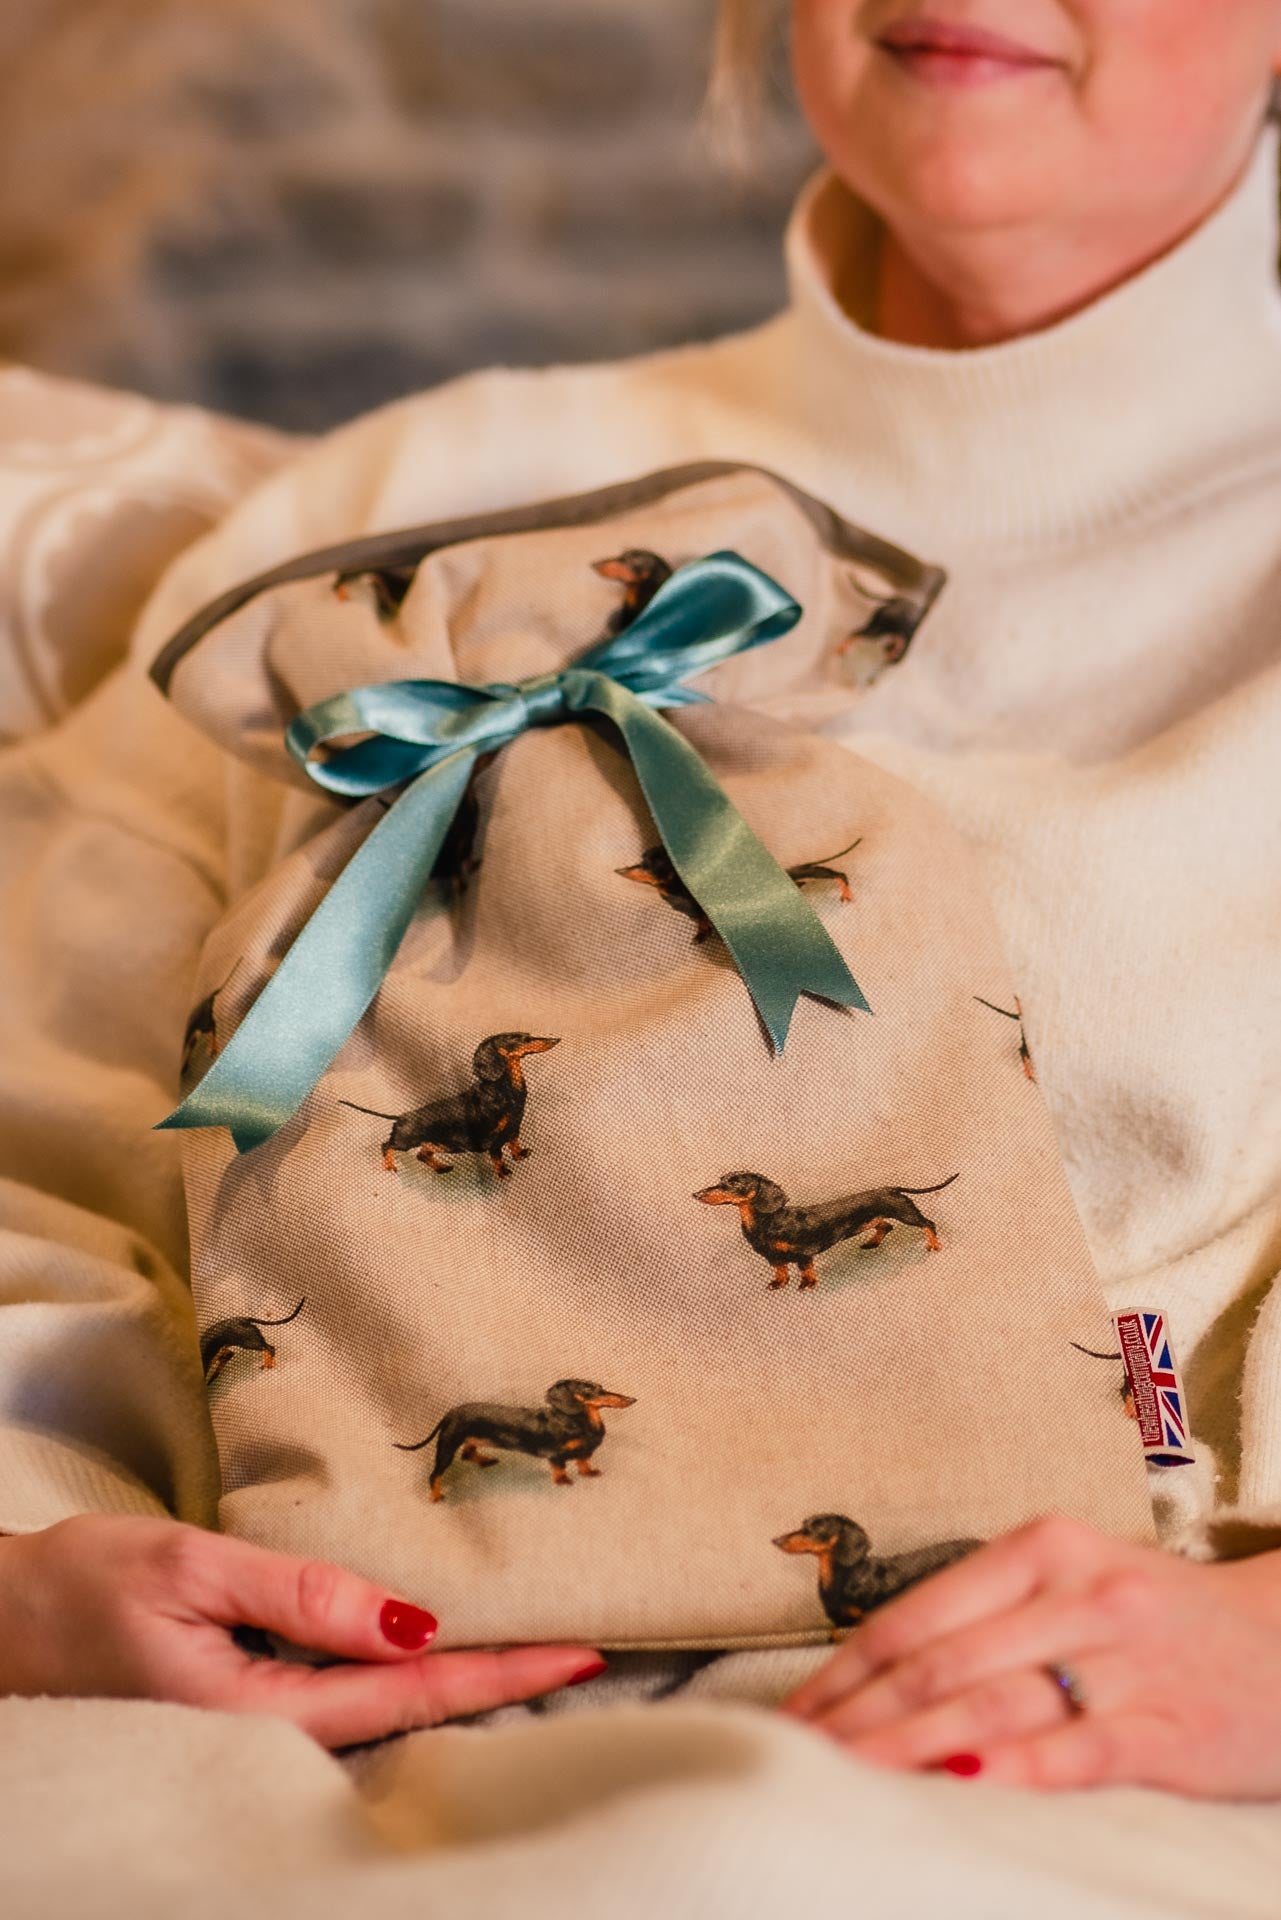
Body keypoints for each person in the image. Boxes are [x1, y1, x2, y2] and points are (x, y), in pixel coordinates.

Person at [1, 0, 1280, 1810]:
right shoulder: (396, 527)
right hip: (317, 1745)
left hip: (1087, 1772)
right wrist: (31, 1566)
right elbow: (38, 1113)